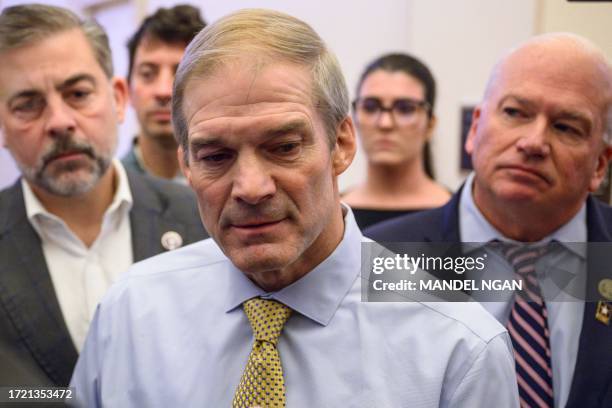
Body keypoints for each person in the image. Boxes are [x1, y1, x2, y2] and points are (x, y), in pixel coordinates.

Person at [70, 9, 518, 407]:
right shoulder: (130, 316)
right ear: (186, 163)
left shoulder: (457, 350)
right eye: (215, 156)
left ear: (341, 144)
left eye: (283, 147)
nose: (250, 188)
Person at [366, 33, 612, 408]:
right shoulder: (386, 256)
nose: (533, 142)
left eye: (566, 127)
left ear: (600, 164)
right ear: (475, 127)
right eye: (515, 112)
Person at [0, 4, 207, 386]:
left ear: (118, 97)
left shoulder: (203, 220)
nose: (60, 122)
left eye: (78, 93)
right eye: (27, 105)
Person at [343, 53, 450, 230]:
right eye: (370, 107)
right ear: (354, 118)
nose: (385, 123)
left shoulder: (457, 215)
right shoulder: (333, 215)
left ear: (430, 124)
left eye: (405, 109)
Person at [121, 5, 206, 181]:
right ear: (127, 90)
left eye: (180, 74)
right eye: (147, 74)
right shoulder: (108, 192)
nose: (164, 91)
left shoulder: (230, 188)